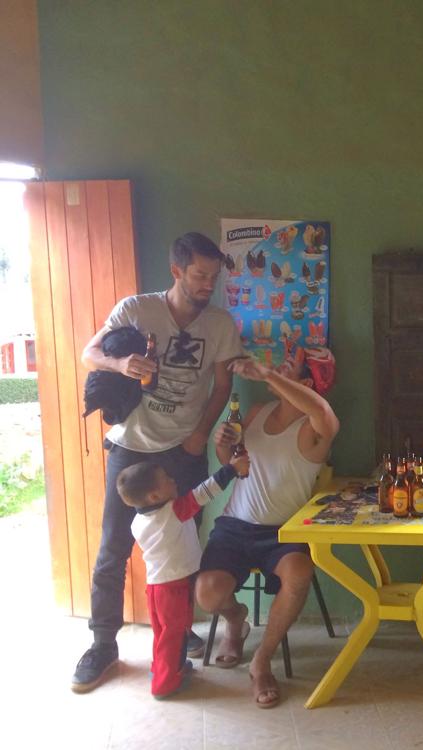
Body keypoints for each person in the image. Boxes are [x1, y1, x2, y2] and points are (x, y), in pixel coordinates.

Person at [72, 232, 243, 693]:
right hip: (130, 448)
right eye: (199, 275)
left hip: (184, 451)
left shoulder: (222, 324)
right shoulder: (135, 309)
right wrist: (122, 363)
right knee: (112, 548)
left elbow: (223, 387)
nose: (208, 284)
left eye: (214, 275)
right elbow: (89, 354)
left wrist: (200, 434)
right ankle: (103, 645)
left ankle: (180, 628)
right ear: (177, 271)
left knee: (186, 549)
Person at [195, 350, 339, 709]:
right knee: (207, 594)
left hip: (282, 534)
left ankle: (262, 659)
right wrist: (222, 445)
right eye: (276, 367)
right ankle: (236, 620)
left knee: (300, 572)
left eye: (287, 369)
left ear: (305, 384)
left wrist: (266, 375)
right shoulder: (257, 412)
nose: (275, 369)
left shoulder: (314, 427)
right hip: (234, 526)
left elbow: (321, 412)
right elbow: (235, 462)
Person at [117, 451, 249, 698]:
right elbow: (206, 491)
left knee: (163, 633)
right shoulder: (173, 512)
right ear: (155, 495)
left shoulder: (139, 520)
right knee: (174, 636)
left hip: (156, 587)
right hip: (173, 588)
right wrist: (231, 469)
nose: (173, 480)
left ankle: (165, 669)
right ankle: (165, 684)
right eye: (166, 479)